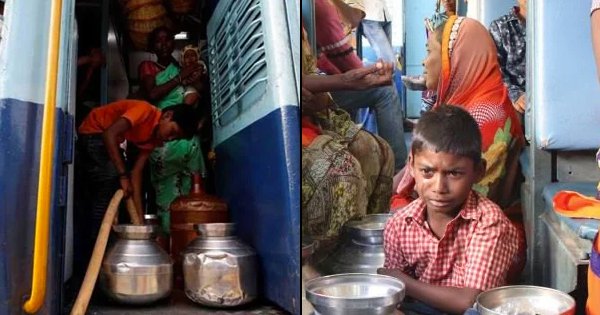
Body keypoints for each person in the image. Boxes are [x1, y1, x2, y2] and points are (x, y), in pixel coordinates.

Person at [379, 105, 519, 314]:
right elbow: (395, 295)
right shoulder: (400, 224)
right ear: (411, 166)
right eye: (427, 172)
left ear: (479, 171)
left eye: (454, 174)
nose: (439, 188)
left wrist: (404, 282)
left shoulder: (489, 222)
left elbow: (469, 300)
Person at [394, 16, 524, 210]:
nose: (424, 61)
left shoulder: (485, 116)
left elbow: (455, 207)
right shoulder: (466, 105)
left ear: (454, 58)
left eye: (429, 52)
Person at [301, 26, 394, 257]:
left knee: (379, 150)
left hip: (314, 119)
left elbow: (313, 85)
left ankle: (365, 254)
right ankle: (327, 265)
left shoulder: (302, 27)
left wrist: (336, 84)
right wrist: (344, 79)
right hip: (280, 131)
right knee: (341, 170)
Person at [76, 99, 199, 264]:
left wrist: (140, 222)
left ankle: (103, 246)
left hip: (109, 140)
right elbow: (109, 134)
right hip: (93, 132)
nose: (169, 139)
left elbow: (136, 173)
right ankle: (97, 248)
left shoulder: (154, 139)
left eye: (175, 138)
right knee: (111, 182)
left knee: (122, 185)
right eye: (172, 131)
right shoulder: (145, 110)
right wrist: (122, 176)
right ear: (167, 116)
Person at [138, 26, 206, 234]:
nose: (164, 44)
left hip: (184, 132)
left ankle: (189, 235)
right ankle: (170, 237)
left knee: (191, 191)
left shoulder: (180, 67)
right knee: (167, 194)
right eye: (158, 41)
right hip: (163, 134)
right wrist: (179, 78)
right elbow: (152, 94)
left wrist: (195, 80)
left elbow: (198, 94)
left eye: (168, 40)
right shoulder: (148, 66)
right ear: (152, 46)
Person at [489, 0, 527, 116]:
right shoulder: (500, 27)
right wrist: (515, 95)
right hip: (516, 101)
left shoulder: (553, 27)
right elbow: (495, 70)